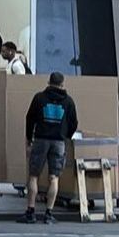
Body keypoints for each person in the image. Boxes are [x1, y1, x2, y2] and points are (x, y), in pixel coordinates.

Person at [20, 72, 78, 224]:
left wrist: (29, 138)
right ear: (62, 84)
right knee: (54, 177)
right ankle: (48, 214)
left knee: (34, 176)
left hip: (41, 140)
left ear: (48, 82)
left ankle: (30, 212)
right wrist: (67, 136)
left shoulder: (39, 98)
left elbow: (29, 118)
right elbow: (74, 123)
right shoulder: (68, 102)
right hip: (58, 142)